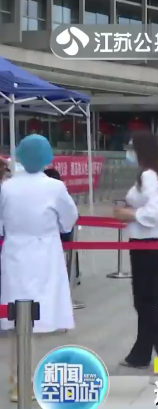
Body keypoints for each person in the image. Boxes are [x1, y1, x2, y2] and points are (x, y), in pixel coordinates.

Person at [0, 134, 78, 402]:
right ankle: (29, 379)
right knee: (37, 320)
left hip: (14, 254)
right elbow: (69, 219)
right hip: (45, 254)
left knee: (16, 320)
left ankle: (16, 379)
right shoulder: (54, 187)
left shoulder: (7, 187)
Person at [112, 132, 158, 370]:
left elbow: (154, 212)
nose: (129, 153)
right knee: (147, 301)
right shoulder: (152, 173)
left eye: (132, 148)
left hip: (150, 242)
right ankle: (141, 353)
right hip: (146, 241)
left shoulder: (149, 175)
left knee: (146, 302)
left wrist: (128, 214)